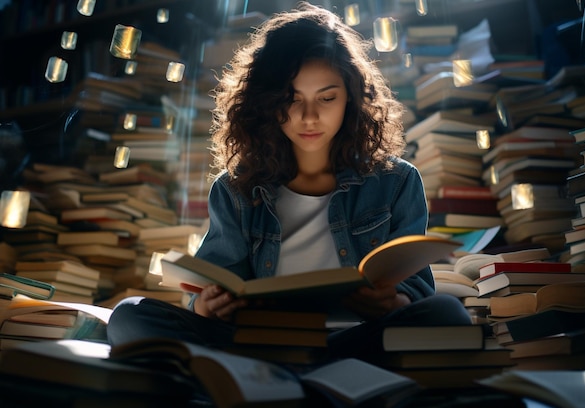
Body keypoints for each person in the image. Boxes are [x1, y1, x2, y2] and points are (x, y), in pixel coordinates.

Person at [106, 1, 471, 359]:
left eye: (326, 98)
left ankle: (263, 384)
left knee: (449, 316)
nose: (309, 116)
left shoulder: (397, 181)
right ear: (265, 102)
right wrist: (205, 306)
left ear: (352, 98)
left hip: (356, 343)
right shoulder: (235, 190)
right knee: (131, 314)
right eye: (291, 98)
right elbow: (211, 286)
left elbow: (419, 290)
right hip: (258, 346)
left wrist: (395, 301)